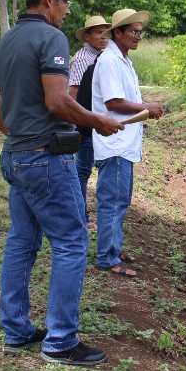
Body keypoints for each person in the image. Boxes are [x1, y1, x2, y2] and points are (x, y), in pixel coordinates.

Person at [0, 0, 123, 366]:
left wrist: (12, 130)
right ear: (47, 1)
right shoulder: (50, 38)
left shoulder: (8, 40)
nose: (66, 10)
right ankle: (60, 341)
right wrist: (98, 120)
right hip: (44, 158)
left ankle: (16, 330)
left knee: (22, 241)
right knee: (72, 241)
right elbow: (58, 101)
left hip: (16, 154)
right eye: (64, 2)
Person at [91, 8, 164, 277]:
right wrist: (147, 106)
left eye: (140, 32)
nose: (138, 36)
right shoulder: (110, 61)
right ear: (118, 33)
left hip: (123, 143)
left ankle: (112, 249)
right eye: (133, 31)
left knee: (120, 200)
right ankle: (107, 257)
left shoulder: (123, 60)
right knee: (113, 201)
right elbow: (114, 103)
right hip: (115, 144)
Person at [68, 16, 111, 229]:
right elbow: (73, 93)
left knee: (87, 168)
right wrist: (78, 123)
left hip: (96, 122)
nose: (103, 37)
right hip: (85, 123)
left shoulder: (101, 56)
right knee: (82, 170)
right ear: (87, 36)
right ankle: (79, 216)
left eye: (106, 32)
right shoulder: (82, 59)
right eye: (98, 33)